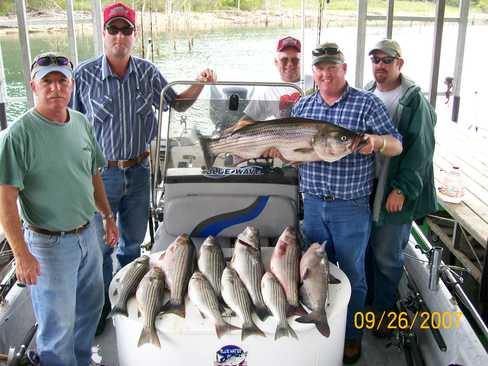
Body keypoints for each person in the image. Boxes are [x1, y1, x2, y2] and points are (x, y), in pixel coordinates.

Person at [72, 2, 216, 334]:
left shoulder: (148, 73)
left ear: (134, 35)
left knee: (132, 245)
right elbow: (67, 125)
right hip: (100, 175)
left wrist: (199, 82)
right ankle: (100, 309)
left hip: (139, 172)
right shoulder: (83, 75)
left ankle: (130, 299)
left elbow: (177, 104)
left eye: (126, 30)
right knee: (99, 247)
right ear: (104, 33)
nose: (119, 36)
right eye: (113, 29)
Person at [0, 52, 118, 366]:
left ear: (72, 85)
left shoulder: (80, 122)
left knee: (90, 312)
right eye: (47, 81)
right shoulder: (17, 135)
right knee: (56, 329)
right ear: (33, 86)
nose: (55, 88)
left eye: (61, 80)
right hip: (47, 245)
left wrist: (107, 217)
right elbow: (6, 200)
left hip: (87, 234)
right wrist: (22, 254)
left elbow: (93, 174)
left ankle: (81, 360)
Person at [288, 42, 403, 364]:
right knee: (312, 270)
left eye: (332, 67)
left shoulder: (366, 104)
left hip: (350, 206)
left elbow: (396, 145)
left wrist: (377, 142)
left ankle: (350, 336)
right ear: (314, 71)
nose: (325, 73)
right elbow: (295, 157)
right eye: (320, 68)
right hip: (311, 203)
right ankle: (318, 325)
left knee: (352, 273)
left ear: (344, 69)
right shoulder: (303, 106)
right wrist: (282, 154)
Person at [365, 39, 437, 337]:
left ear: (400, 63)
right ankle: (370, 306)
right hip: (369, 187)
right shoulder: (367, 92)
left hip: (394, 192)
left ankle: (384, 314)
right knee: (368, 251)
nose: (380, 65)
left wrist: (402, 190)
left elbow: (421, 151)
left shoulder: (412, 100)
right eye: (376, 59)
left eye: (387, 60)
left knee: (386, 256)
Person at [243, 36, 304, 121]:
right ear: (276, 62)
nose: (290, 64)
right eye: (284, 60)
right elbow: (246, 120)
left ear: (301, 62)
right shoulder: (267, 91)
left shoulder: (317, 82)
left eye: (294, 60)